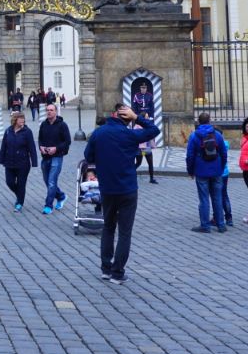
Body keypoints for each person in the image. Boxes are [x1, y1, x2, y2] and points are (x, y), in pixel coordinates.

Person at [83, 103, 160, 285]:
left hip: (108, 188)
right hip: (127, 189)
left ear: (113, 114)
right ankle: (117, 273)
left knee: (108, 228)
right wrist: (137, 117)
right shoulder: (130, 134)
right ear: (127, 118)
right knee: (125, 232)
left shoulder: (98, 133)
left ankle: (106, 268)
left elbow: (88, 156)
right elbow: (154, 129)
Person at [185, 112, 228, 233]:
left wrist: (190, 170)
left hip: (201, 170)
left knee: (203, 199)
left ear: (198, 122)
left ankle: (205, 225)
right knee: (217, 198)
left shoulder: (194, 136)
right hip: (216, 169)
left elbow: (190, 156)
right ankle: (221, 225)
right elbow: (224, 153)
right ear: (210, 121)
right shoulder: (217, 135)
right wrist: (221, 166)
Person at [0, 111, 38, 211]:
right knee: (9, 182)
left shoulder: (27, 132)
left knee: (21, 183)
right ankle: (19, 194)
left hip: (23, 163)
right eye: (20, 119)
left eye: (23, 119)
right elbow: (4, 146)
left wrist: (34, 162)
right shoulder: (8, 131)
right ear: (15, 120)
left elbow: (32, 147)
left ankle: (19, 202)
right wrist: (1, 159)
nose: (22, 121)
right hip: (9, 162)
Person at [37, 103, 71, 214]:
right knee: (47, 181)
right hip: (45, 156)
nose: (49, 112)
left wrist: (56, 148)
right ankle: (61, 196)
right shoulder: (43, 124)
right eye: (47, 110)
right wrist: (41, 147)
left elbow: (67, 142)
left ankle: (48, 205)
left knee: (52, 181)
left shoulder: (62, 125)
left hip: (57, 156)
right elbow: (40, 139)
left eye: (51, 110)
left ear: (56, 111)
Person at [213, 136, 234, 229]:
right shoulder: (225, 144)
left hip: (217, 173)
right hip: (225, 172)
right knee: (224, 195)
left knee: (216, 196)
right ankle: (229, 218)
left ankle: (216, 217)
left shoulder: (215, 144)